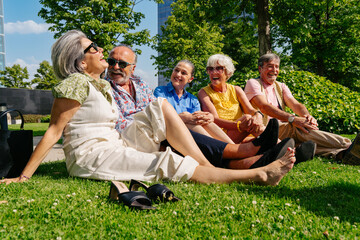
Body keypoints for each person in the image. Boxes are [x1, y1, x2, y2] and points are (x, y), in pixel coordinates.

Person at [0, 30, 296, 186]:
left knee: (160, 105)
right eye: (94, 49)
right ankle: (257, 174)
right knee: (166, 161)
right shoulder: (75, 84)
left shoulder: (99, 84)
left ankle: (215, 165)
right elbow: (54, 131)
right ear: (79, 60)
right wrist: (24, 176)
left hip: (117, 140)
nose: (101, 51)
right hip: (91, 155)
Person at [106, 45, 293, 168]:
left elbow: (247, 110)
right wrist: (186, 118)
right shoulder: (162, 92)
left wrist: (256, 116)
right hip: (153, 132)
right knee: (193, 121)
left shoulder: (143, 86)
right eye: (112, 62)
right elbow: (146, 117)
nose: (115, 67)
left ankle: (261, 154)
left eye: (122, 63)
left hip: (176, 131)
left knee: (202, 120)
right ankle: (244, 152)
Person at [244, 53, 358, 162]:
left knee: (299, 143)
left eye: (277, 67)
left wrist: (307, 116)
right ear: (260, 69)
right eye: (270, 67)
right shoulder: (253, 83)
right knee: (298, 128)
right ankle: (348, 144)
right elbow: (264, 107)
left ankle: (341, 154)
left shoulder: (281, 86)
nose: (274, 70)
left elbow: (295, 104)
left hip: (282, 128)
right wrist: (293, 119)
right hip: (264, 129)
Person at [154, 60, 235, 143]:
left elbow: (199, 120)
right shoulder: (160, 91)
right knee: (190, 122)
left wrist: (209, 117)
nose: (178, 74)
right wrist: (183, 118)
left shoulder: (193, 99)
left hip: (190, 137)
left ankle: (232, 147)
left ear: (190, 79)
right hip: (169, 134)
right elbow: (159, 116)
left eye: (183, 73)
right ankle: (222, 149)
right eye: (176, 70)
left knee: (206, 122)